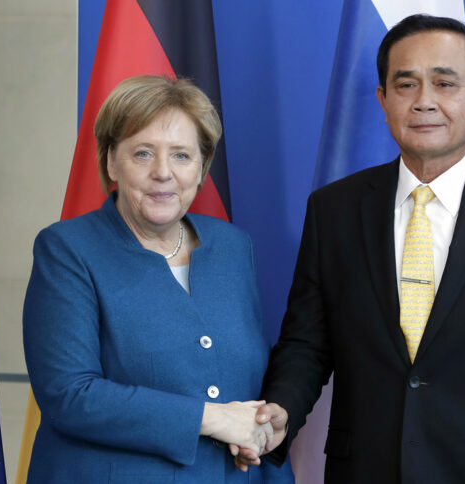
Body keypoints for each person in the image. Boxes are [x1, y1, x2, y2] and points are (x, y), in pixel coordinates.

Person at [240, 14, 465, 483]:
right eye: (406, 85)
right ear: (383, 100)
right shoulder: (335, 209)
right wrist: (281, 409)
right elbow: (307, 341)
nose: (425, 102)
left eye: (445, 84)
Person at [23, 75, 294, 483]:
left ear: (202, 166)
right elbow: (70, 395)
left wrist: (266, 418)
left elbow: (249, 373)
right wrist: (212, 418)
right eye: (143, 154)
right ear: (111, 161)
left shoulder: (233, 247)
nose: (163, 173)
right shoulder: (67, 250)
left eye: (182, 156)